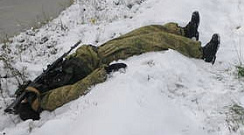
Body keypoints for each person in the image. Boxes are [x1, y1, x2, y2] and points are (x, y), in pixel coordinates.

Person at [14, 12, 220, 121]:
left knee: (145, 30)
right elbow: (75, 90)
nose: (32, 89)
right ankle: (201, 53)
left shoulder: (43, 84)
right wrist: (103, 73)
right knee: (153, 40)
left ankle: (184, 32)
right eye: (29, 95)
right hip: (103, 57)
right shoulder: (48, 100)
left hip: (99, 49)